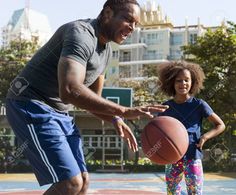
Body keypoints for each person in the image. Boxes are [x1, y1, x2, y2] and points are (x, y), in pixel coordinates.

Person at [6, 0, 168, 195]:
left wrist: (114, 118)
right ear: (108, 13)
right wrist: (124, 111)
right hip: (30, 103)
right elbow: (70, 89)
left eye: (136, 24)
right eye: (128, 19)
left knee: (83, 181)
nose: (132, 28)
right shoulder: (80, 34)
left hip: (59, 112)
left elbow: (92, 99)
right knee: (69, 183)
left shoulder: (106, 51)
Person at [157, 61, 225, 195]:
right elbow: (158, 131)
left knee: (194, 192)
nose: (183, 84)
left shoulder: (199, 105)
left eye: (186, 80)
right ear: (172, 83)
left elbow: (220, 125)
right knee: (172, 192)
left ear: (193, 82)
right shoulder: (165, 107)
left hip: (192, 156)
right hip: (172, 157)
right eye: (178, 81)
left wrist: (205, 137)